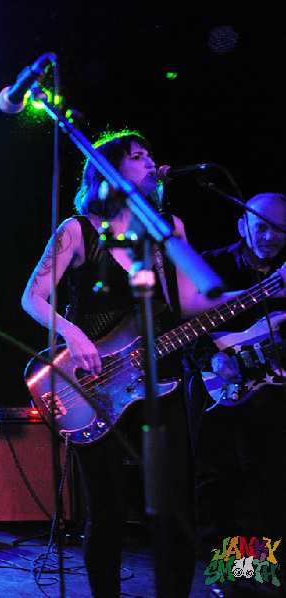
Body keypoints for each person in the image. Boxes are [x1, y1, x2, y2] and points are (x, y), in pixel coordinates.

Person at [20, 130, 199, 597]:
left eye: (150, 155)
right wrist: (73, 333)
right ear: (111, 170)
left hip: (162, 381)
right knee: (109, 513)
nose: (151, 162)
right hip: (93, 385)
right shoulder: (78, 230)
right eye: (138, 156)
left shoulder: (168, 229)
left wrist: (259, 295)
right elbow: (32, 297)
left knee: (174, 509)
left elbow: (190, 301)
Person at [182, 193, 286, 580]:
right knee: (217, 477)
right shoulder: (212, 265)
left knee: (265, 477)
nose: (270, 237)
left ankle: (255, 573)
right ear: (243, 225)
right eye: (262, 226)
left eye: (280, 230)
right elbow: (182, 325)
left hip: (271, 389)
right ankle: (227, 575)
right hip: (214, 387)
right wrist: (212, 357)